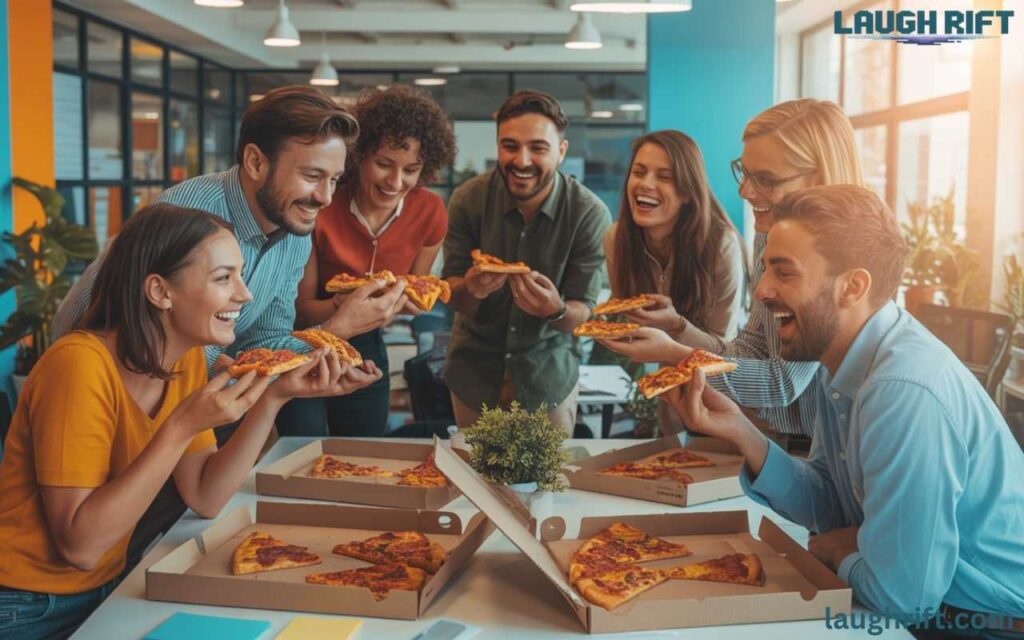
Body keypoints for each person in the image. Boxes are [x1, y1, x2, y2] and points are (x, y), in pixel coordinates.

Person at [48, 85, 400, 567]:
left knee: (149, 547)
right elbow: (137, 336)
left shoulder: (294, 228)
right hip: (107, 402)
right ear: (255, 162)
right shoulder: (195, 217)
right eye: (312, 176)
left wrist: (320, 352)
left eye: (335, 180)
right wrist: (336, 328)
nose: (324, 197)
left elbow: (263, 342)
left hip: (175, 402)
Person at [0, 204, 381, 640]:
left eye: (240, 275)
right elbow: (81, 546)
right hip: (26, 605)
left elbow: (206, 495)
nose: (245, 294)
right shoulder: (78, 365)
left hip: (107, 590)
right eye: (223, 278)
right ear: (160, 291)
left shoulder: (184, 361)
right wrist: (181, 427)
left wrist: (274, 398)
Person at [667, 185, 1024, 635]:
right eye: (765, 269)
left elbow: (904, 598)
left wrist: (836, 550)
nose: (761, 290)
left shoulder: (902, 391)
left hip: (984, 624)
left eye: (784, 272)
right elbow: (830, 505)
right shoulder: (840, 358)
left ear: (853, 287)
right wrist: (741, 431)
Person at [600, 99, 863, 439]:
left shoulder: (839, 256)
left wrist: (674, 352)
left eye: (765, 179)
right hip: (776, 437)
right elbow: (750, 346)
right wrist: (677, 343)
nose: (744, 191)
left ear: (818, 177)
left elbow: (782, 382)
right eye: (744, 172)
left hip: (830, 443)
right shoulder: (769, 234)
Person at [285, 84, 457, 437]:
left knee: (363, 448)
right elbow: (301, 311)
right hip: (306, 341)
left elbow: (417, 292)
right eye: (383, 164)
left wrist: (408, 302)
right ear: (358, 155)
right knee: (301, 446)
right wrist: (343, 304)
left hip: (366, 345)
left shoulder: (430, 212)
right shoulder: (323, 204)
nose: (396, 181)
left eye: (411, 170)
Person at [442, 90, 611, 433]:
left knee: (550, 470)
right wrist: (471, 288)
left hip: (547, 378)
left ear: (561, 152)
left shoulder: (588, 213)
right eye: (510, 146)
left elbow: (583, 310)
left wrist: (555, 310)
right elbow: (450, 293)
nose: (522, 161)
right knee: (471, 468)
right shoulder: (468, 200)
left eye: (538, 148)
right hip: (474, 374)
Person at [600, 130, 745, 433]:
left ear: (688, 193)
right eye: (639, 172)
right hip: (669, 396)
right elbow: (626, 320)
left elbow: (723, 353)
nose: (646, 183)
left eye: (664, 177)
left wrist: (676, 325)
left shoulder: (721, 247)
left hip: (726, 398)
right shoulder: (617, 239)